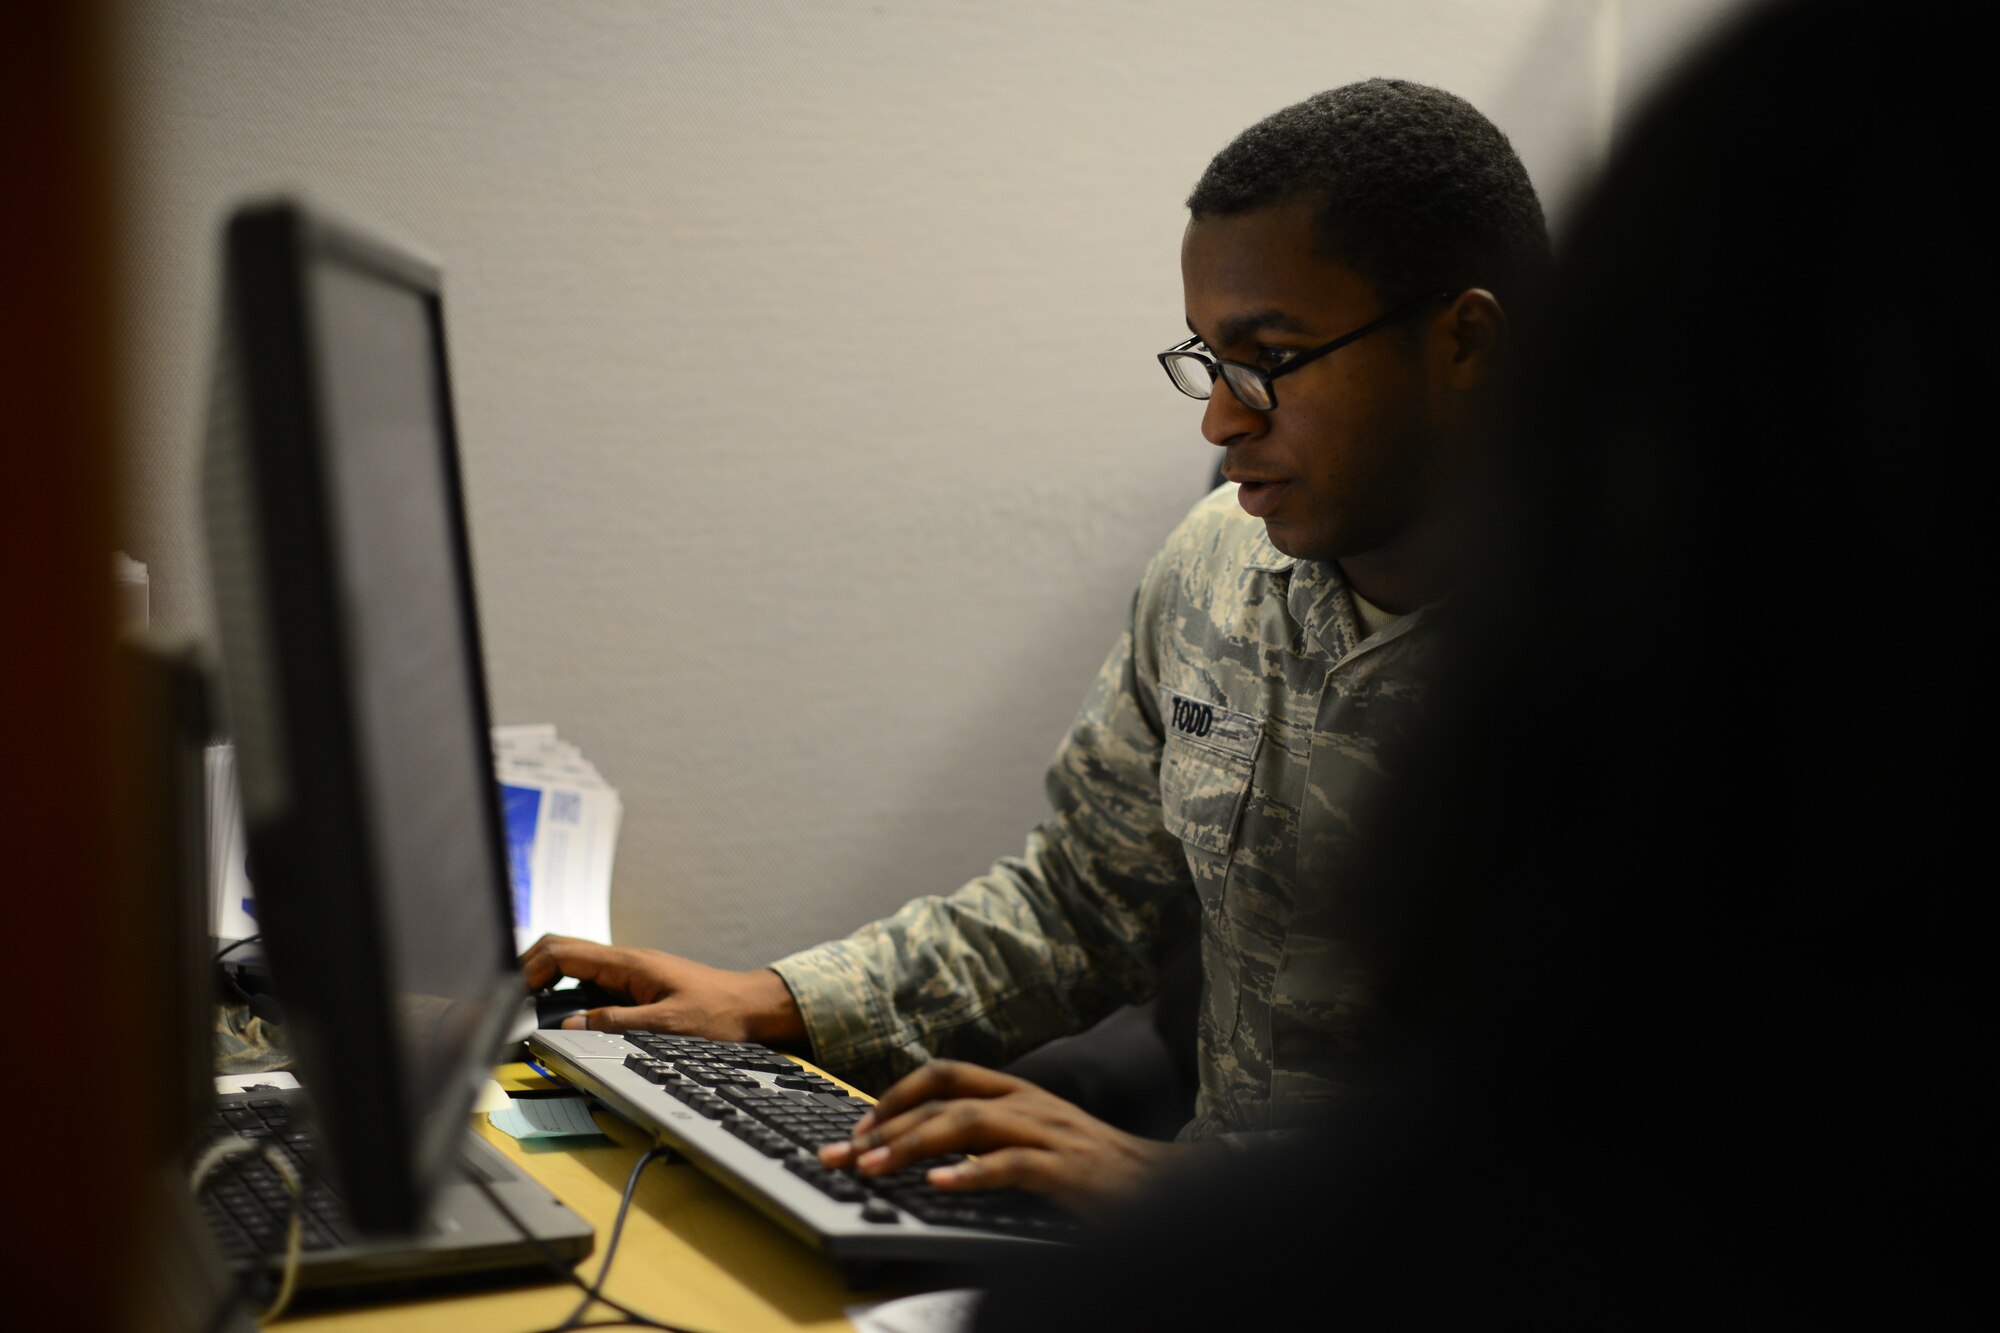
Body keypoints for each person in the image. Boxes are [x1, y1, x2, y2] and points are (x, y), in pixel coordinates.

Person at [525, 78, 1549, 1215]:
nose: (1218, 420)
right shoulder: (1218, 562)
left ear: (1464, 343)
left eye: (1268, 355)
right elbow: (1081, 903)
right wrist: (775, 1003)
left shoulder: (1669, 654)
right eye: (1205, 359)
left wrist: (1176, 1195)